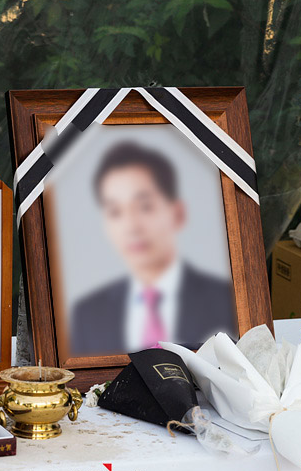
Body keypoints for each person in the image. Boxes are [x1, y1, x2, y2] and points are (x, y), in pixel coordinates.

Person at [70, 141, 236, 355]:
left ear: (177, 213)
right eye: (115, 212)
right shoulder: (87, 315)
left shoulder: (227, 301)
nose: (131, 226)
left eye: (145, 207)